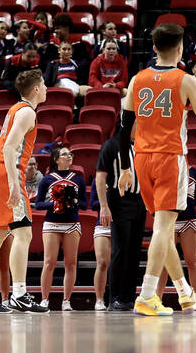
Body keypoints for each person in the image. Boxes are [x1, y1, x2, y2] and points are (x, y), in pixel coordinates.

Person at [117, 23, 196, 316]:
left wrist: (124, 167)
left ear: (154, 48)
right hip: (170, 157)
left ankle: (185, 293)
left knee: (163, 228)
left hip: (141, 158)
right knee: (163, 229)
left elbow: (123, 128)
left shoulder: (137, 79)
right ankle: (147, 295)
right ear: (182, 48)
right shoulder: (186, 80)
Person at [0, 69, 51, 313]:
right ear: (36, 89)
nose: (48, 88)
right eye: (45, 84)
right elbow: (8, 149)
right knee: (24, 234)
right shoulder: (28, 112)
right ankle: (19, 293)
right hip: (8, 173)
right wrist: (14, 184)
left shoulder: (16, 108)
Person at [33, 143, 88, 310]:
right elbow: (38, 204)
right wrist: (55, 203)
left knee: (70, 263)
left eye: (70, 154)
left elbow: (85, 205)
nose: (69, 156)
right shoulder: (47, 179)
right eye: (65, 154)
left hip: (72, 224)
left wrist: (73, 202)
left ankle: (66, 300)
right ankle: (44, 299)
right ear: (56, 159)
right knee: (49, 262)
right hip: (52, 223)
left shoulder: (78, 178)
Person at [94, 133, 144, 310]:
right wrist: (104, 206)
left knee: (134, 252)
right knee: (120, 251)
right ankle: (114, 298)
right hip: (119, 201)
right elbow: (100, 177)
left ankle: (129, 298)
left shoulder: (140, 145)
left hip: (140, 201)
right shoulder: (111, 145)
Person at [161, 162, 196, 307]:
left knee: (191, 261)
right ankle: (157, 299)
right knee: (164, 263)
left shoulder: (195, 173)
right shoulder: (165, 169)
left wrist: (187, 203)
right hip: (169, 219)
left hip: (189, 218)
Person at [89, 175, 111, 311]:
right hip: (102, 225)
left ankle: (118, 298)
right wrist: (107, 197)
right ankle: (99, 299)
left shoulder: (127, 176)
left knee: (120, 264)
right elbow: (93, 204)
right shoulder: (98, 180)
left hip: (121, 224)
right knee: (102, 263)